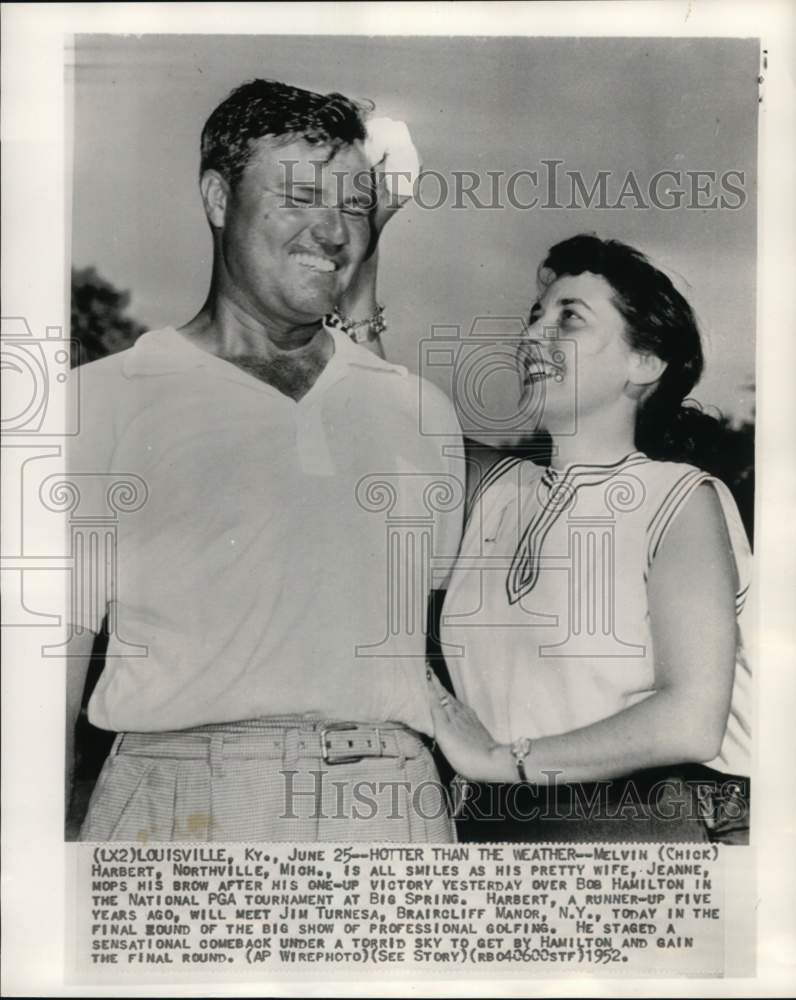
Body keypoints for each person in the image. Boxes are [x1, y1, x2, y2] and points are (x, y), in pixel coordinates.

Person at [65, 79, 464, 842]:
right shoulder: (97, 403)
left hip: (391, 806)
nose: (333, 230)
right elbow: (41, 680)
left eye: (353, 206)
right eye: (301, 197)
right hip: (180, 802)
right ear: (218, 197)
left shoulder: (419, 413)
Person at [427, 234, 752, 843]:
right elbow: (384, 418)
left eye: (568, 317)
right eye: (534, 317)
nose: (532, 336)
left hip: (625, 828)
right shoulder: (497, 490)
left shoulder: (679, 499)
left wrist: (501, 761)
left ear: (645, 363)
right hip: (483, 827)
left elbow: (690, 721)